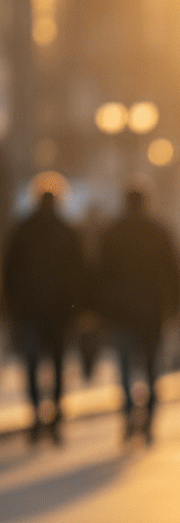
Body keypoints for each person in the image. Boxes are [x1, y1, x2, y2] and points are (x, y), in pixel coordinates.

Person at [1, 188, 88, 442]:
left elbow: (9, 272)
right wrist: (78, 308)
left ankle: (36, 415)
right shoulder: (67, 231)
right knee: (58, 364)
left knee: (31, 363)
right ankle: (57, 414)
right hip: (60, 311)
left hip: (29, 310)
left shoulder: (22, 230)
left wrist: (11, 307)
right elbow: (79, 273)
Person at [97, 188, 180, 440]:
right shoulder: (159, 231)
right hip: (152, 312)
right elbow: (174, 272)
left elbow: (102, 275)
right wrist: (173, 308)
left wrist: (104, 310)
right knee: (151, 368)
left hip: (122, 314)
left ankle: (127, 416)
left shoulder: (112, 233)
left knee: (124, 369)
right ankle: (149, 420)